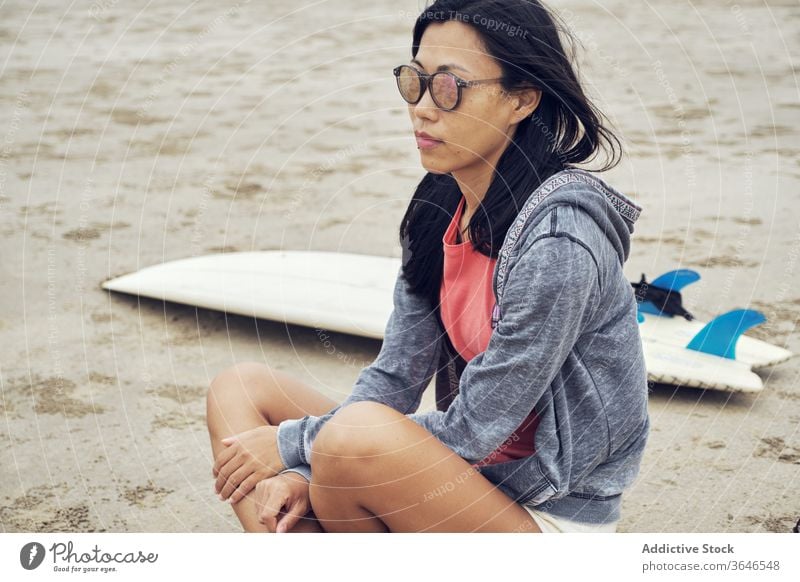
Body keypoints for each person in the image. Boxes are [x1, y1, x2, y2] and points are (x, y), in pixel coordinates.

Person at [206, 0, 649, 533]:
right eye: (414, 82)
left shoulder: (560, 241)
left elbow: (475, 430)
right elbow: (394, 378)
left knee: (349, 442)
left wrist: (295, 448)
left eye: (450, 87)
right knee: (239, 390)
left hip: (545, 517)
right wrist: (303, 465)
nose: (422, 107)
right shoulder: (442, 203)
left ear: (521, 99)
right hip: (454, 480)